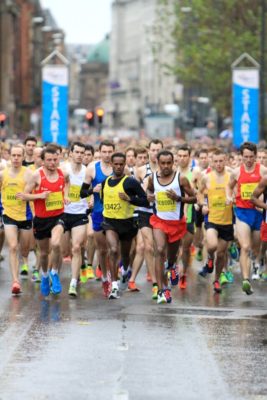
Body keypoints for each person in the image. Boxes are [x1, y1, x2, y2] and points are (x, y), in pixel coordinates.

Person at [147, 150, 196, 304]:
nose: (166, 166)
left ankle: (173, 266)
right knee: (159, 250)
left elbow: (194, 198)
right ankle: (162, 289)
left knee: (171, 257)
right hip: (159, 221)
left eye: (169, 163)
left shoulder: (180, 179)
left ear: (173, 162)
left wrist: (179, 198)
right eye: (163, 163)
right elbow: (149, 190)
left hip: (176, 223)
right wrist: (149, 195)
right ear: (158, 162)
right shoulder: (152, 178)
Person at [18, 147, 68, 297]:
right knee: (44, 253)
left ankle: (54, 273)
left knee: (57, 244)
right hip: (41, 219)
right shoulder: (36, 175)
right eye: (49, 160)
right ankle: (45, 275)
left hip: (58, 216)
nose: (53, 163)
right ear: (43, 160)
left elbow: (67, 183)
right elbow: (23, 195)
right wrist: (39, 196)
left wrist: (65, 195)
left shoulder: (62, 173)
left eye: (55, 159)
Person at [102, 152, 149, 299]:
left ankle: (126, 269)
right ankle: (114, 286)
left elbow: (145, 201)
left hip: (127, 223)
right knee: (113, 250)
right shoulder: (105, 182)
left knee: (126, 254)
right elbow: (102, 199)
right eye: (115, 164)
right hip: (109, 222)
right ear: (111, 164)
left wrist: (130, 199)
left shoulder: (131, 182)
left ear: (124, 165)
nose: (118, 167)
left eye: (121, 164)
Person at [227, 142, 267, 294]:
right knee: (245, 246)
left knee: (256, 248)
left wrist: (262, 202)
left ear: (256, 157)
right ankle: (245, 280)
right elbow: (229, 186)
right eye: (245, 157)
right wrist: (228, 196)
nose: (248, 160)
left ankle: (255, 261)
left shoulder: (263, 171)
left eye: (251, 157)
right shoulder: (236, 172)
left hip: (258, 212)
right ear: (241, 157)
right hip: (243, 212)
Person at [80, 140, 115, 296]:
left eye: (110, 152)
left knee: (114, 249)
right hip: (98, 213)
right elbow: (82, 192)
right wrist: (92, 190)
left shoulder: (120, 168)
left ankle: (113, 278)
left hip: (116, 214)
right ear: (99, 152)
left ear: (113, 152)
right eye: (104, 152)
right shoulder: (92, 168)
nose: (107, 155)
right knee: (102, 249)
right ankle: (105, 280)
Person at [198, 149, 234, 293]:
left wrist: (232, 198)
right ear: (212, 162)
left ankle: (217, 279)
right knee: (212, 245)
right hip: (212, 218)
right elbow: (199, 193)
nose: (219, 164)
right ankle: (209, 259)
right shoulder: (207, 177)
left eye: (221, 161)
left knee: (221, 254)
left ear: (225, 161)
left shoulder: (231, 177)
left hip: (227, 221)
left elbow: (235, 192)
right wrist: (203, 204)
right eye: (216, 161)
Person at [0, 144, 33, 294]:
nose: (16, 158)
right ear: (9, 156)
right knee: (13, 246)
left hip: (25, 215)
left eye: (19, 155)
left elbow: (32, 193)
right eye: (13, 155)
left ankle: (24, 259)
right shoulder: (2, 174)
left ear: (23, 157)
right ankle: (15, 281)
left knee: (25, 250)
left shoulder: (29, 174)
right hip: (8, 214)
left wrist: (27, 195)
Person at [62, 142, 89, 296]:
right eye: (77, 152)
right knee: (62, 249)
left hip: (80, 214)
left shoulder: (87, 171)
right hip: (64, 213)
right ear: (71, 153)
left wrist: (91, 199)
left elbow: (90, 189)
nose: (79, 155)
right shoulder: (63, 170)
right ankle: (53, 273)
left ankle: (73, 282)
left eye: (82, 152)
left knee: (76, 247)